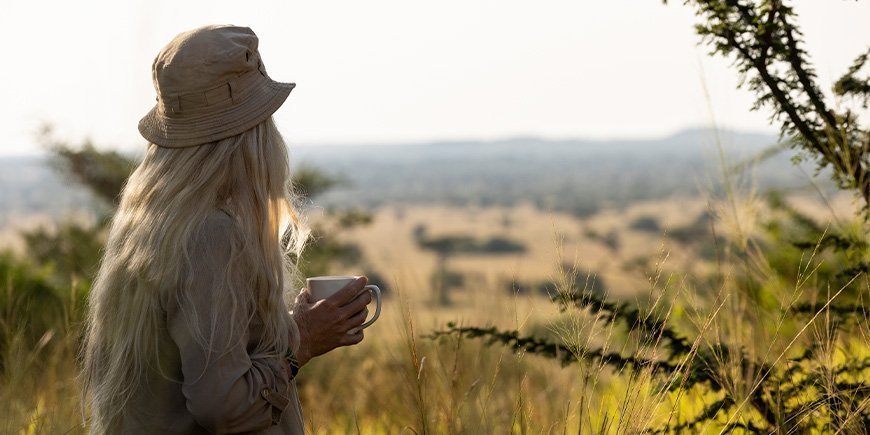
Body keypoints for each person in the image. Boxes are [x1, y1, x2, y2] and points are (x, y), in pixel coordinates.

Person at [81, 25, 372, 434]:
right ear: (249, 135)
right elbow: (223, 406)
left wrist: (285, 327)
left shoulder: (146, 225)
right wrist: (301, 342)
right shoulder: (212, 235)